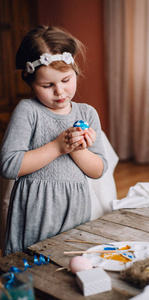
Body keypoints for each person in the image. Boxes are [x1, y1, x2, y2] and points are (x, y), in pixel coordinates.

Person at [0, 25, 108, 256]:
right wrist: (58, 146)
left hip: (74, 208)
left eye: (66, 80)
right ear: (31, 82)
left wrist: (76, 149)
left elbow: (98, 170)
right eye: (47, 85)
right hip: (35, 211)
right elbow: (9, 165)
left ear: (75, 71)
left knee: (67, 263)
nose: (59, 91)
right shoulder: (28, 110)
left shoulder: (87, 114)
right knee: (29, 267)